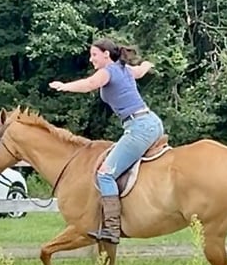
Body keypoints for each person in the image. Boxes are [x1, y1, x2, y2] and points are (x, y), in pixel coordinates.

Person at [49, 37, 165, 244]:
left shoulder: (108, 71)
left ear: (105, 55)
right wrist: (148, 64)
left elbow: (89, 84)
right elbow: (139, 71)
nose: (91, 59)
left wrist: (64, 86)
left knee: (105, 174)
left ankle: (111, 228)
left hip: (139, 128)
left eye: (94, 55)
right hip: (152, 123)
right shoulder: (124, 68)